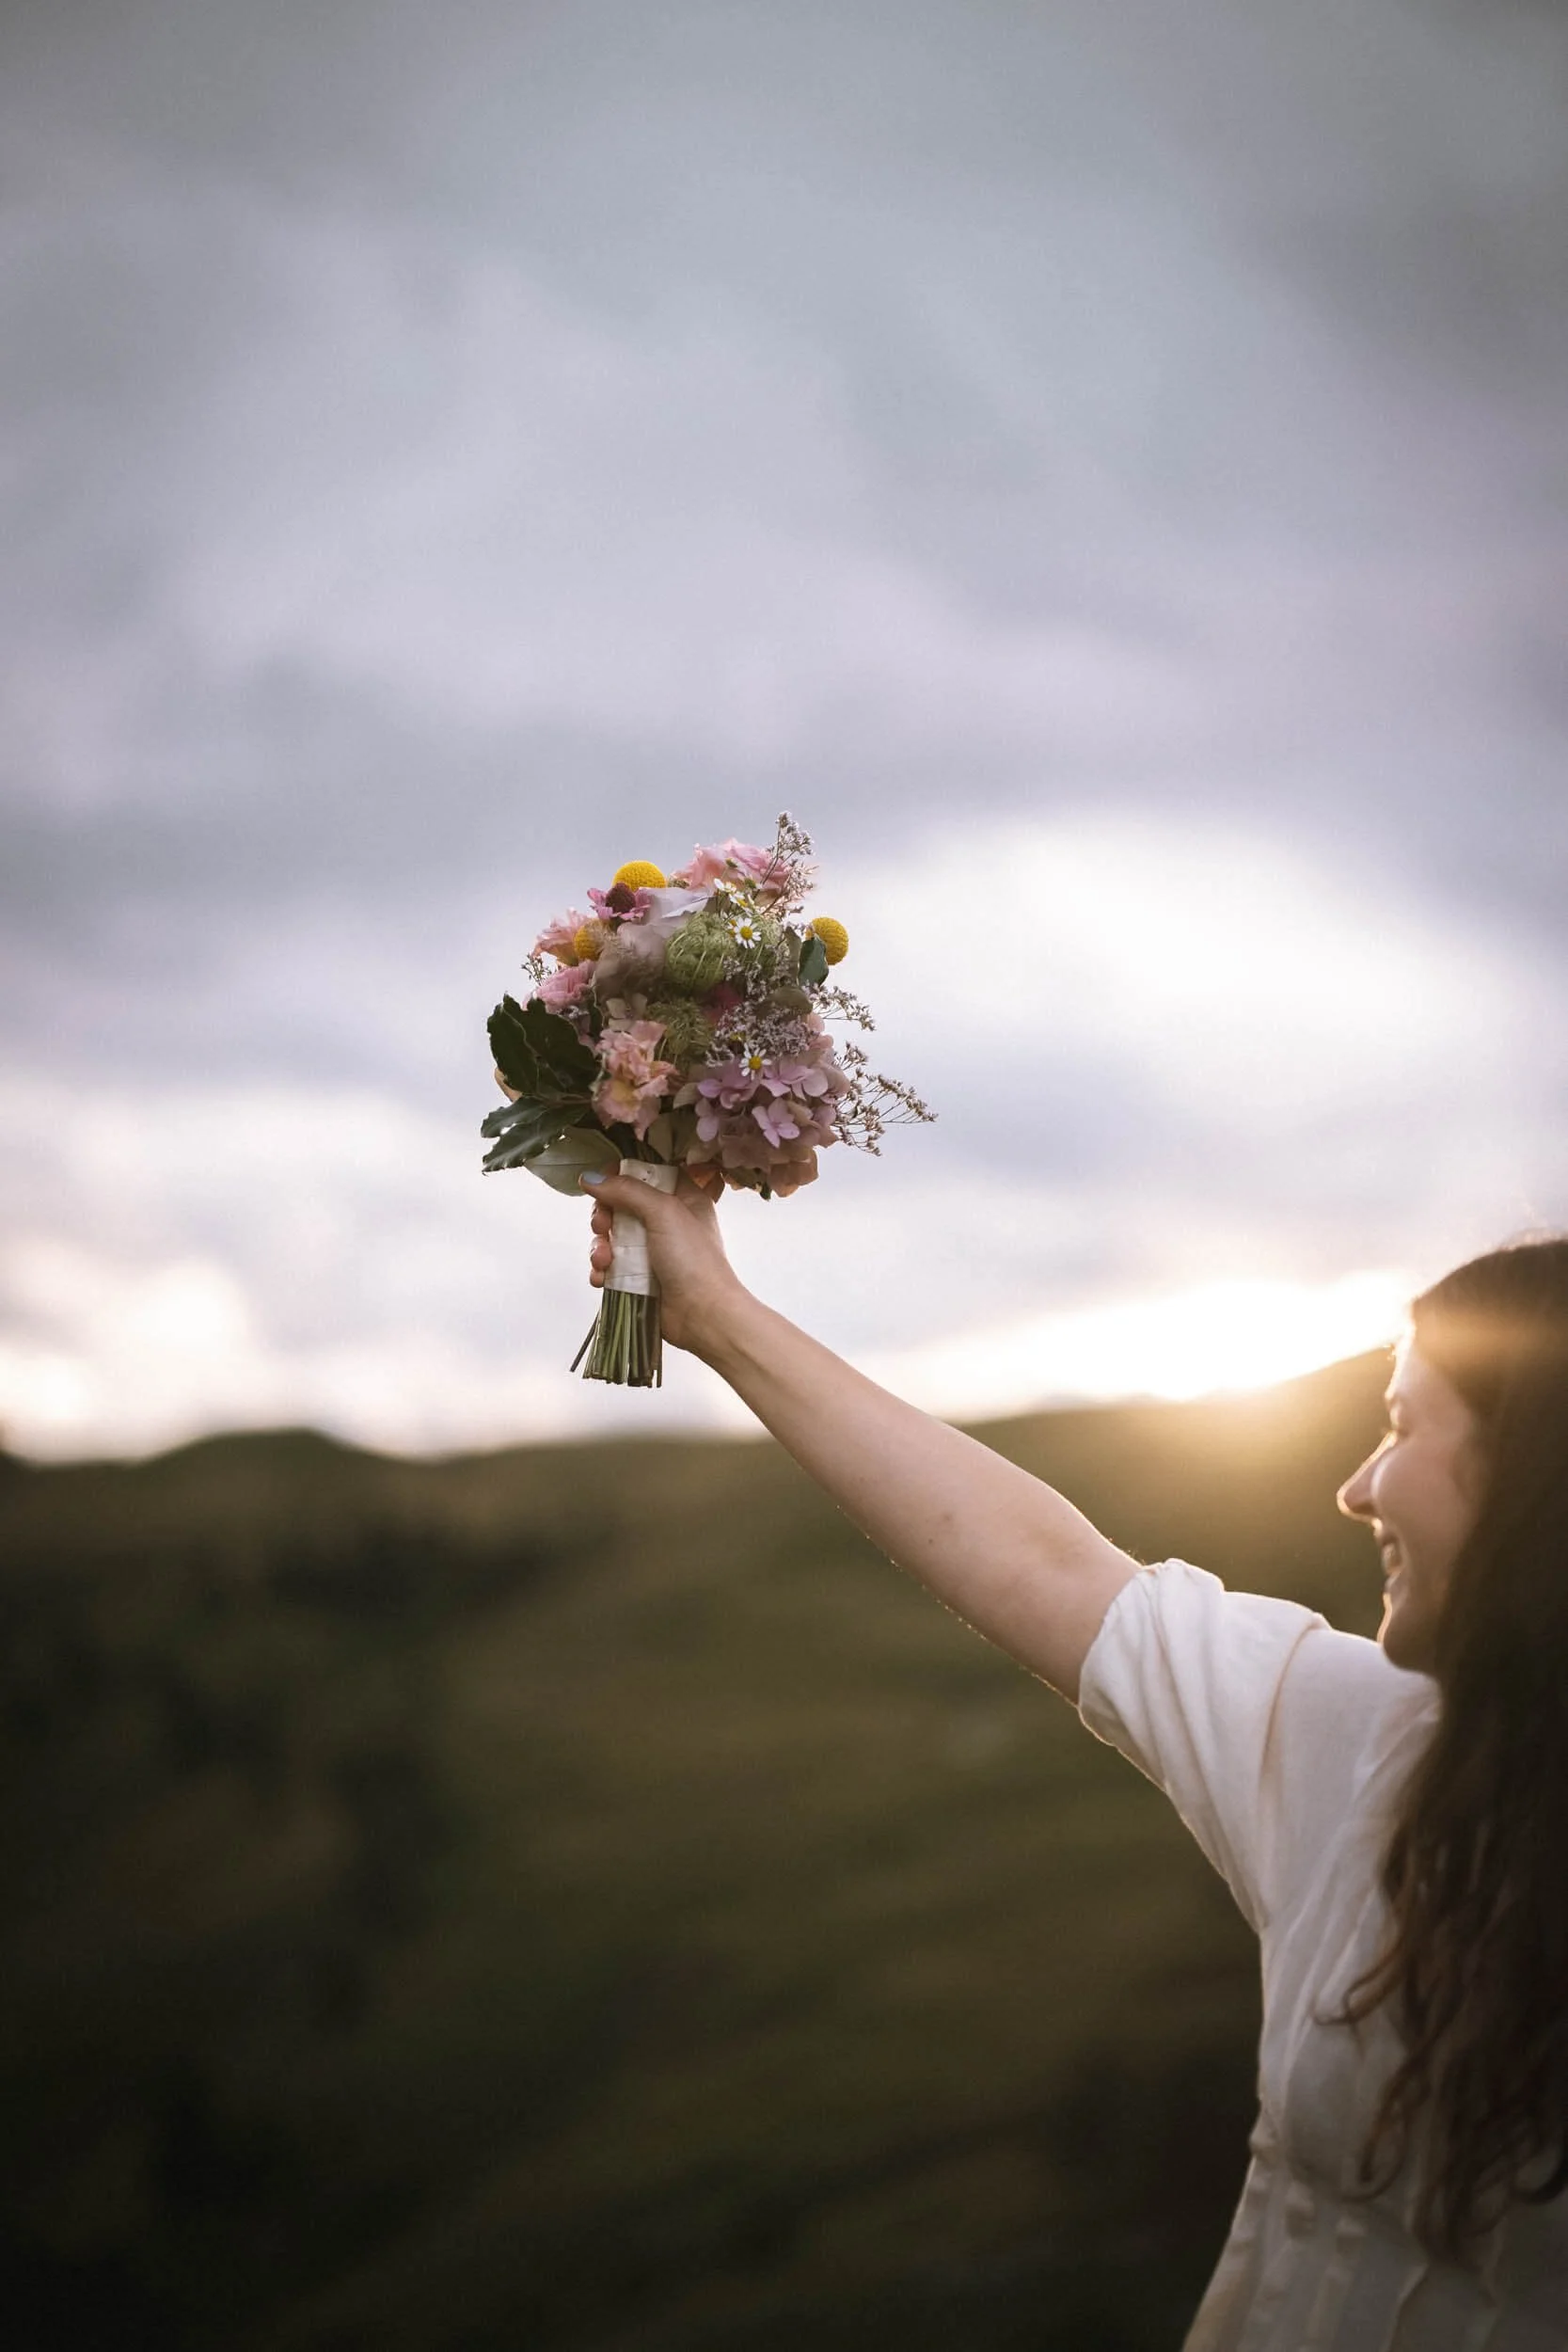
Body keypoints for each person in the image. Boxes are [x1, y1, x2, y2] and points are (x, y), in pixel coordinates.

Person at [579, 1171, 1568, 2351]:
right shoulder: (1351, 1733)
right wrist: (712, 1312)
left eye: (1404, 1426)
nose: (1354, 1487)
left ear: (1530, 1481)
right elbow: (1045, 1568)